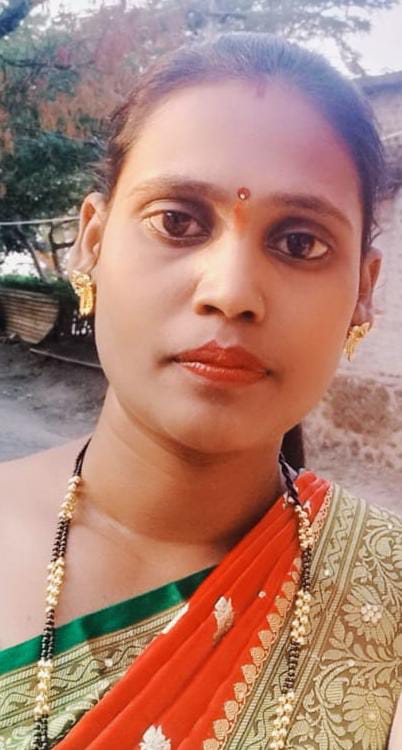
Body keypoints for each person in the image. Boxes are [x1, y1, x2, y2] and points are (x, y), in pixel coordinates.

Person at [0, 32, 400, 750]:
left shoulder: (386, 595)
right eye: (178, 221)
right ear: (92, 241)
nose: (232, 291)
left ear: (363, 291)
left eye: (300, 242)